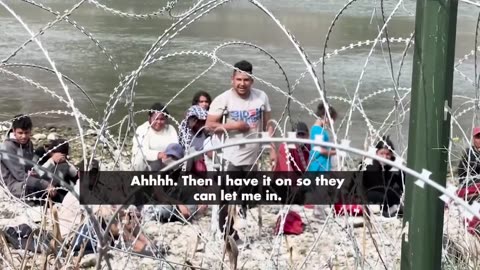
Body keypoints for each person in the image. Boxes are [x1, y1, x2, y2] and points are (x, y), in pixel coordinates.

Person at [206, 60, 276, 172]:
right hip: (230, 158)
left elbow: (268, 125)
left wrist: (272, 149)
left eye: (246, 80)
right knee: (230, 189)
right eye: (239, 79)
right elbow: (209, 126)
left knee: (253, 189)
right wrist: (235, 126)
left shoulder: (261, 97)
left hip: (255, 157)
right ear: (232, 80)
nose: (242, 84)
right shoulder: (222, 99)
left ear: (252, 81)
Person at [0, 115, 60, 200]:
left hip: (27, 179)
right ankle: (81, 202)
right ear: (13, 131)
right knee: (55, 191)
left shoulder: (28, 143)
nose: (24, 136)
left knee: (60, 174)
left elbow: (29, 166)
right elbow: (20, 176)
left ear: (30, 131)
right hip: (16, 187)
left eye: (26, 133)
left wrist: (34, 172)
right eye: (20, 133)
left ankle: (84, 198)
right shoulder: (7, 147)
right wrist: (44, 184)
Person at [361, 136, 404, 217]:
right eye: (382, 153)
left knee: (396, 191)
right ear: (376, 153)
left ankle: (395, 209)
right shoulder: (369, 165)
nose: (384, 157)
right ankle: (384, 212)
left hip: (385, 195)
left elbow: (403, 184)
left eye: (387, 154)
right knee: (385, 195)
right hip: (369, 194)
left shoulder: (394, 165)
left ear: (391, 154)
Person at [131, 103, 178, 171]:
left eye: (162, 119)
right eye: (156, 119)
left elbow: (175, 147)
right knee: (138, 159)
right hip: (146, 165)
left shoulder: (171, 129)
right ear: (149, 118)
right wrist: (158, 155)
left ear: (166, 119)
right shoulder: (142, 129)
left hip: (166, 162)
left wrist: (170, 155)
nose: (159, 122)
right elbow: (142, 151)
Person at [307, 103, 337, 172]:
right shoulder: (317, 130)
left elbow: (323, 147)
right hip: (318, 166)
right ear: (324, 116)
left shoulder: (319, 129)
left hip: (321, 166)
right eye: (331, 119)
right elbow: (320, 150)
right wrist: (337, 152)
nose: (332, 122)